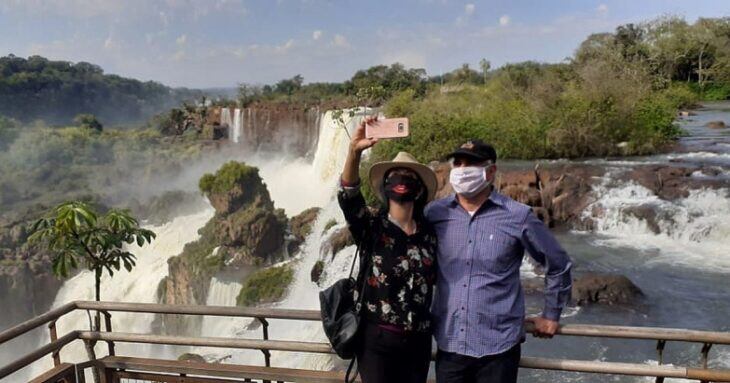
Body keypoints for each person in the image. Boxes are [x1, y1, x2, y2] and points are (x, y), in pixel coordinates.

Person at [426, 139, 573, 383]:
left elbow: (558, 263)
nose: (462, 170)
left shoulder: (517, 216)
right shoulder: (436, 214)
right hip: (450, 343)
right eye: (458, 163)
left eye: (471, 163)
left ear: (491, 171)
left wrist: (551, 313)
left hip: (498, 348)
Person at [338, 116, 439, 383]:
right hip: (377, 340)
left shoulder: (430, 234)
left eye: (409, 177)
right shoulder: (371, 226)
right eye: (395, 175)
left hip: (418, 341)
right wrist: (354, 151)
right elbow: (349, 193)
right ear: (385, 185)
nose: (402, 180)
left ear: (419, 191)